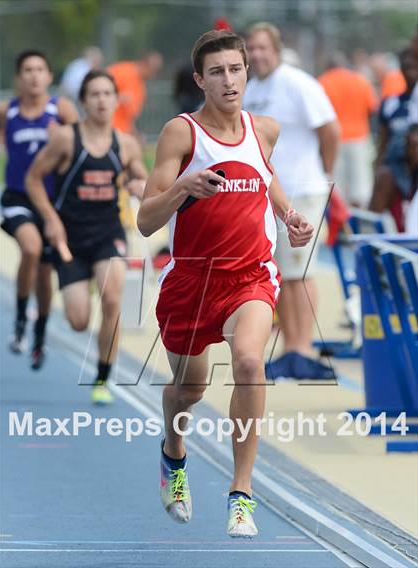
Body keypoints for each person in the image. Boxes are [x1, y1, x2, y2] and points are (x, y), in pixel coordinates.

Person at [137, 30, 313, 537]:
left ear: (247, 73)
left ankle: (242, 493)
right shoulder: (181, 133)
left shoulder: (265, 130)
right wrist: (183, 188)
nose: (228, 79)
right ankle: (173, 454)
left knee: (250, 362)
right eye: (217, 72)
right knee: (189, 389)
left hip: (249, 274)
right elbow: (146, 221)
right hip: (190, 279)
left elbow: (265, 174)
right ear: (200, 80)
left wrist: (289, 216)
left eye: (236, 69)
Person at [26, 70, 147, 404]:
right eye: (94, 94)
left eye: (108, 93)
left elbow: (146, 182)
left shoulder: (126, 143)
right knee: (79, 321)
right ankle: (87, 281)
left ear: (115, 99)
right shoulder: (66, 138)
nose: (102, 100)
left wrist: (139, 185)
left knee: (112, 299)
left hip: (108, 233)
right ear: (83, 102)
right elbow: (34, 179)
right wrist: (51, 220)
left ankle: (102, 379)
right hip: (70, 238)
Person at [243, 22, 339, 380]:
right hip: (271, 192)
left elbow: (330, 129)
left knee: (299, 271)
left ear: (277, 50)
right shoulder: (252, 89)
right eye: (251, 48)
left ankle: (303, 347)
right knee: (282, 272)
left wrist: (326, 176)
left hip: (305, 187)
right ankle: (289, 347)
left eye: (263, 48)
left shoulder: (298, 83)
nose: (257, 54)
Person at [0, 50, 78, 369]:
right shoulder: (8, 111)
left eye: (39, 69)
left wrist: (63, 141)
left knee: (45, 273)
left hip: (51, 203)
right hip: (17, 197)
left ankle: (40, 336)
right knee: (30, 250)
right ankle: (19, 321)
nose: (33, 75)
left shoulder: (60, 110)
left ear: (49, 77)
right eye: (27, 70)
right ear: (18, 77)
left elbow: (83, 145)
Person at [319, 53, 378, 207]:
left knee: (338, 190)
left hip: (334, 141)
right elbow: (372, 108)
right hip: (359, 137)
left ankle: (343, 224)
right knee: (361, 188)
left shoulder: (323, 82)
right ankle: (361, 222)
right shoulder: (360, 81)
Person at [369, 123, 418, 232]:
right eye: (414, 145)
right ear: (405, 145)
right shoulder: (387, 177)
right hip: (394, 243)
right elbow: (373, 220)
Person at [375, 47, 418, 169]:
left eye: (415, 66)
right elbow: (382, 143)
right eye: (406, 67)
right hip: (397, 168)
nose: (411, 72)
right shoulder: (390, 103)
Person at [107, 52, 163, 136]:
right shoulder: (121, 71)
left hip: (123, 133)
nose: (153, 75)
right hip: (108, 130)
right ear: (144, 63)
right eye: (154, 70)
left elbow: (130, 118)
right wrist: (116, 98)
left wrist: (136, 134)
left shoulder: (141, 88)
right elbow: (97, 90)